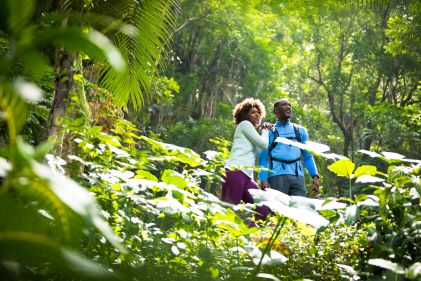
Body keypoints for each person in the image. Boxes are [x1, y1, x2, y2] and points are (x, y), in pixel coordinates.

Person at [222, 98, 270, 222]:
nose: (257, 115)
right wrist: (265, 130)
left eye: (258, 112)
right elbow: (263, 145)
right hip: (234, 171)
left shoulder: (251, 131)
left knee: (263, 208)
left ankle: (252, 236)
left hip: (247, 176)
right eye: (253, 112)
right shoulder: (245, 124)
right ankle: (222, 238)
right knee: (229, 211)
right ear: (245, 115)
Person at [258, 98, 320, 197]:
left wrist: (315, 176)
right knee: (277, 210)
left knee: (300, 209)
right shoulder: (269, 132)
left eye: (289, 105)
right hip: (276, 176)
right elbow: (263, 157)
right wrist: (263, 179)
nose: (288, 107)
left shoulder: (300, 131)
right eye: (284, 105)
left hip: (298, 176)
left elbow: (308, 156)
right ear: (275, 111)